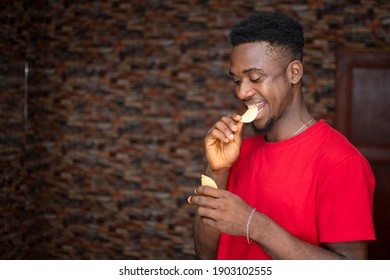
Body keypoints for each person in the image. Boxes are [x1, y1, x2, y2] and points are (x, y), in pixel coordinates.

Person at [187, 12, 375, 260]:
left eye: (255, 78)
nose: (242, 92)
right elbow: (205, 256)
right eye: (237, 81)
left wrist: (253, 224)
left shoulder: (341, 162)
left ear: (294, 73)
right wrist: (217, 171)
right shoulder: (236, 152)